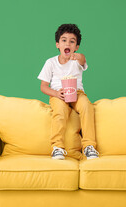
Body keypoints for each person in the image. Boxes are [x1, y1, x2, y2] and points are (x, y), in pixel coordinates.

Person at [37, 23, 99, 160]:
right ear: (57, 44)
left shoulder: (77, 60)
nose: (68, 44)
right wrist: (56, 94)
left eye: (72, 42)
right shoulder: (50, 63)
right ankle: (57, 147)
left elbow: (83, 60)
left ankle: (89, 146)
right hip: (58, 95)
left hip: (77, 93)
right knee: (60, 112)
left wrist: (78, 56)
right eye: (64, 40)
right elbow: (43, 86)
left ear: (76, 47)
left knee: (87, 107)